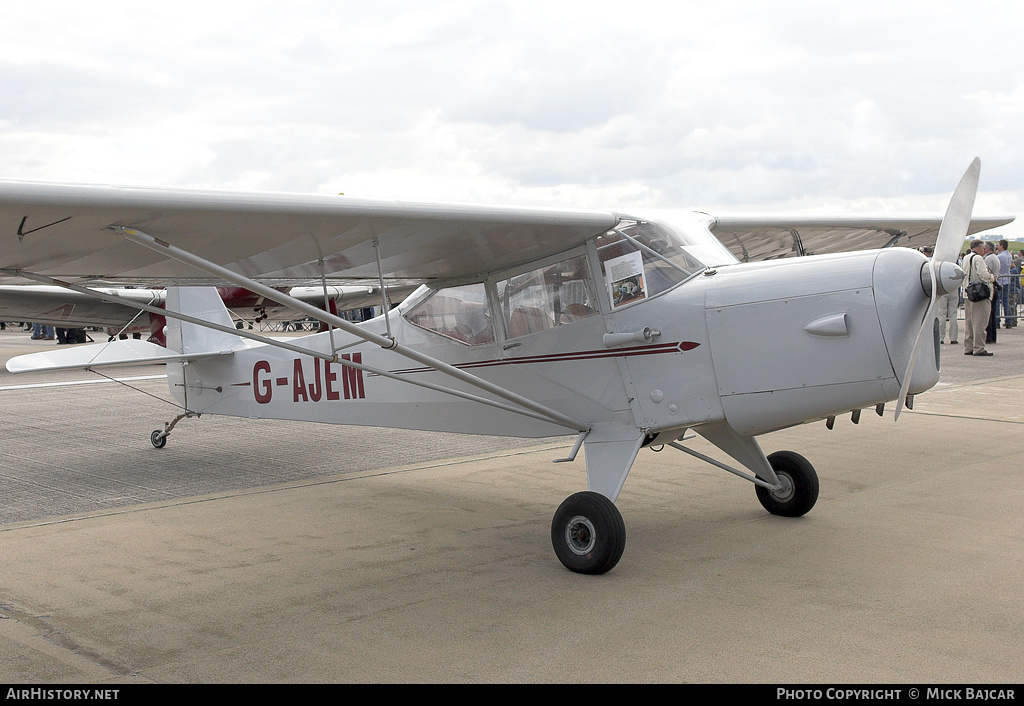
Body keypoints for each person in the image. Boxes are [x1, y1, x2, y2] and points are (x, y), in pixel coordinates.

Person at [963, 240, 994, 356]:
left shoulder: (966, 258)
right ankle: (979, 347)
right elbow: (983, 274)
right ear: (980, 247)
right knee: (980, 322)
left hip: (968, 293)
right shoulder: (978, 259)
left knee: (969, 322)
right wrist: (992, 278)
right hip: (979, 295)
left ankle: (968, 346)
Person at [983, 242, 1000, 344]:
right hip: (994, 285)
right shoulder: (995, 257)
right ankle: (993, 336)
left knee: (987, 314)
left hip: (990, 285)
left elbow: (986, 272)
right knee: (992, 313)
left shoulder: (988, 259)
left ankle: (988, 337)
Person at [996, 239, 1014, 328]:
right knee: (1006, 301)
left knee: (996, 301)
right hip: (1007, 280)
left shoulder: (1000, 256)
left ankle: (997, 320)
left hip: (999, 280)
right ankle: (1008, 320)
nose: (997, 247)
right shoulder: (1009, 256)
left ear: (1002, 246)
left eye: (998, 245)